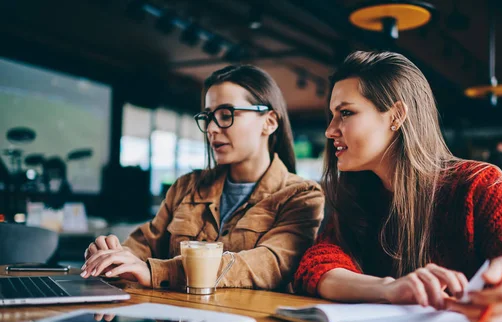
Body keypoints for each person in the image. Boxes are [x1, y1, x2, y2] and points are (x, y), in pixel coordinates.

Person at [293, 51, 502, 322]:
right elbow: (316, 266)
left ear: (396, 116)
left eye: (345, 112)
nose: (330, 130)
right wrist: (389, 288)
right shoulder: (357, 192)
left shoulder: (478, 186)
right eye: (332, 115)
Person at [82, 65, 325, 291]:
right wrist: (113, 256)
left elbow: (269, 264)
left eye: (226, 114)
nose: (211, 128)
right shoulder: (187, 187)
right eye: (208, 117)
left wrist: (157, 271)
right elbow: (145, 243)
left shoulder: (301, 195)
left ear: (269, 122)